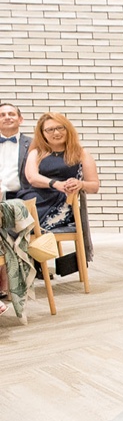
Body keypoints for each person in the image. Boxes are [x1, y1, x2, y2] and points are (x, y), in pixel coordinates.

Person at [23, 112, 100, 233]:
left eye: (60, 128)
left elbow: (94, 186)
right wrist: (56, 184)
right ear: (42, 134)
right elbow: (32, 178)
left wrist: (81, 184)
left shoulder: (81, 153)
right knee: (13, 216)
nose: (57, 133)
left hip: (62, 203)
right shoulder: (36, 153)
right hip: (35, 199)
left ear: (67, 129)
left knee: (26, 228)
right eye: (50, 130)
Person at [0, 102, 32, 301]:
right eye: (2, 114)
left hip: (21, 198)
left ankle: (4, 281)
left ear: (20, 119)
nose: (7, 117)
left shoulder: (33, 144)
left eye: (11, 114)